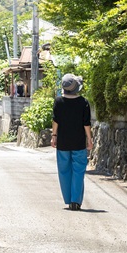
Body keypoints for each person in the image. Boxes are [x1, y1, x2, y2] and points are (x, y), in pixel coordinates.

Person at [51, 73, 92, 211]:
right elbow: (86, 123)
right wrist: (89, 139)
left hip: (63, 142)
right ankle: (75, 201)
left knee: (64, 171)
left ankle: (68, 199)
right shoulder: (83, 102)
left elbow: (56, 120)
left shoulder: (58, 101)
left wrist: (54, 136)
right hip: (79, 142)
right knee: (78, 171)